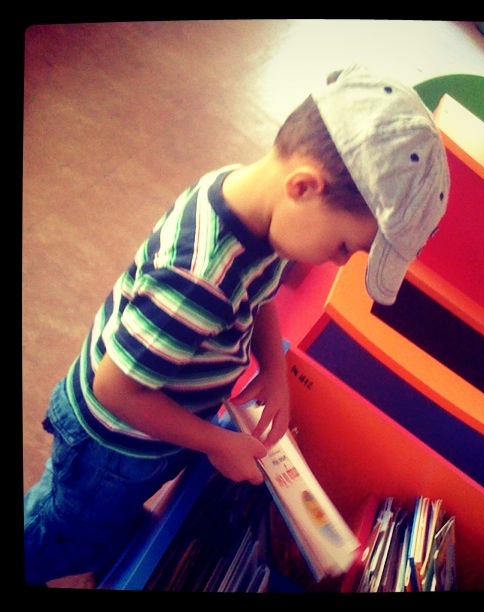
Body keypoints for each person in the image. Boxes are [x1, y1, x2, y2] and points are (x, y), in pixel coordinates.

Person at [23, 63, 450, 588]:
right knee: (62, 530)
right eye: (345, 246)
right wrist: (215, 442)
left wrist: (275, 370)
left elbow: (260, 292)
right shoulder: (198, 278)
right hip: (114, 444)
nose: (340, 262)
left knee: (103, 524)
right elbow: (114, 389)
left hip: (158, 423)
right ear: (303, 187)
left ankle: (98, 539)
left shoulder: (257, 209)